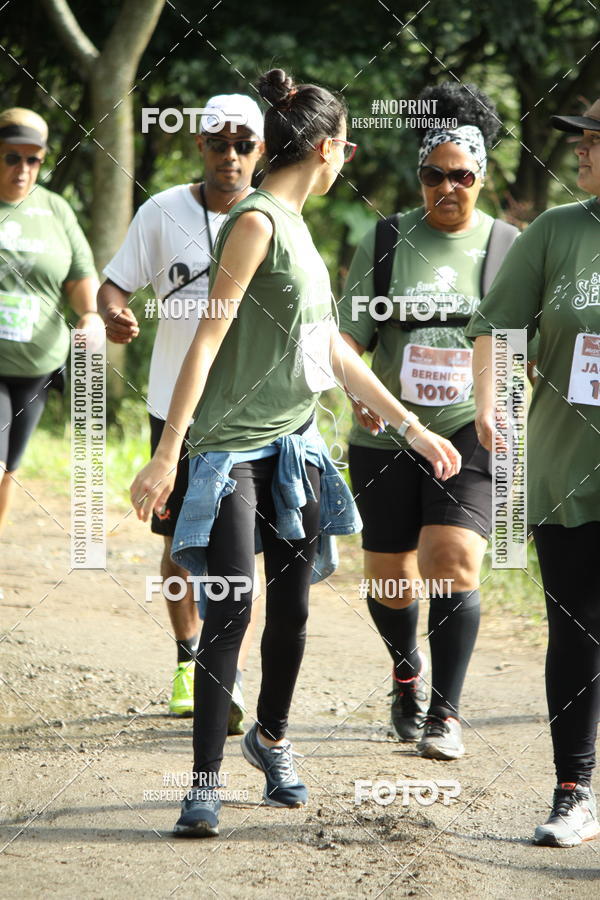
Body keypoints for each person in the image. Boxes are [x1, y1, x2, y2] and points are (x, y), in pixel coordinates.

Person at [130, 67, 461, 838]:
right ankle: (204, 783)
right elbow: (208, 337)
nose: (346, 158)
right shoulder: (254, 223)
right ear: (323, 147)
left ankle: (270, 739)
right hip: (226, 452)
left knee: (296, 608)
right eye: (344, 145)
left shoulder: (303, 229)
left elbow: (332, 352)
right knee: (231, 607)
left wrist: (412, 427)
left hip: (293, 447)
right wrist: (166, 453)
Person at [338, 82, 528, 760]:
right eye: (434, 175)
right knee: (390, 577)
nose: (448, 188)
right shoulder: (384, 240)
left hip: (471, 429)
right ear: (420, 176)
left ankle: (445, 713)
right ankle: (405, 671)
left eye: (463, 176)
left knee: (452, 560)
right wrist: (354, 387)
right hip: (386, 432)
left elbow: (526, 341)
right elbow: (348, 341)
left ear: (482, 176)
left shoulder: (509, 245)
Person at [98, 95, 265, 730]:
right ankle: (188, 657)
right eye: (218, 144)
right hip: (174, 408)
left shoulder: (268, 217)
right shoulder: (162, 211)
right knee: (176, 544)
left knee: (238, 549)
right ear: (200, 145)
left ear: (260, 150)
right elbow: (116, 280)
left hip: (245, 414)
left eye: (242, 145)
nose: (230, 156)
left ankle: (227, 666)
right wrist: (115, 311)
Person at [468, 98, 600, 848]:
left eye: (593, 140)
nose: (579, 149)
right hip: (566, 473)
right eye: (580, 138)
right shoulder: (557, 232)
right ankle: (574, 790)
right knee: (577, 633)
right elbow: (496, 327)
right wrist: (491, 402)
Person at [0, 107, 99, 580]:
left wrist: (92, 317)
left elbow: (81, 280)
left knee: (9, 469)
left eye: (33, 161)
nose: (22, 170)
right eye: (11, 158)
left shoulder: (55, 210)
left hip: (38, 367)